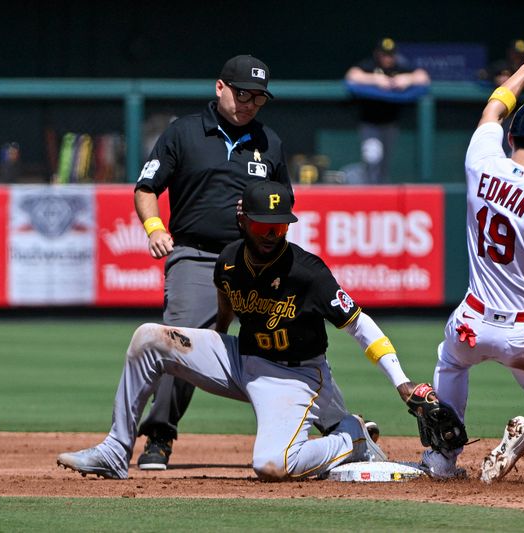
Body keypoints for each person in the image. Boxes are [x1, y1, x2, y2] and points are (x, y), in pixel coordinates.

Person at [57, 180, 434, 481]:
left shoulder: (308, 273)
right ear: (244, 222)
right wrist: (211, 348)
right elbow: (225, 308)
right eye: (262, 225)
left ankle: (349, 437)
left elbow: (359, 325)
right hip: (240, 358)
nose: (272, 233)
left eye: (280, 225)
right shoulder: (229, 261)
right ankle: (116, 449)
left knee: (272, 465)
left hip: (294, 375)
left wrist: (400, 379)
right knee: (149, 338)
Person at [419, 34, 524, 482]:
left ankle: (442, 456)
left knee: (450, 360)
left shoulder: (481, 161)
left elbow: (494, 106)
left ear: (512, 135)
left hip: (471, 322)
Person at [133, 54, 292, 471]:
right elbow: (146, 187)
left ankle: (335, 425)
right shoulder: (183, 133)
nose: (250, 104)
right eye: (243, 94)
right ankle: (159, 435)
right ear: (219, 87)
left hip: (255, 259)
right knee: (179, 340)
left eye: (259, 98)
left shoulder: (269, 142)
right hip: (197, 256)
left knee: (294, 336)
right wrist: (153, 228)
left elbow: (285, 203)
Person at [344, 37, 430, 184]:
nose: (387, 58)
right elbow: (352, 75)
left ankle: (379, 195)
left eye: (390, 54)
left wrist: (408, 79)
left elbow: (424, 77)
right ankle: (356, 178)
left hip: (390, 124)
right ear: (377, 53)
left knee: (384, 165)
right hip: (369, 122)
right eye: (384, 54)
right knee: (372, 157)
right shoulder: (370, 65)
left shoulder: (400, 65)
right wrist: (375, 79)